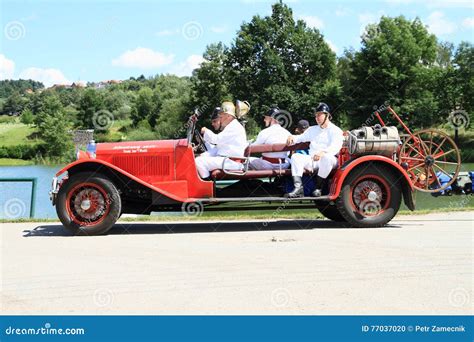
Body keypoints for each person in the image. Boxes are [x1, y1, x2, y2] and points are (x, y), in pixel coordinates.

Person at [286, 103, 343, 198]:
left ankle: (318, 188)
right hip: (313, 159)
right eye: (316, 115)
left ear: (327, 115)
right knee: (296, 157)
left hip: (329, 160)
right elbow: (301, 137)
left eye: (319, 115)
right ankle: (298, 188)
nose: (317, 117)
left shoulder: (336, 130)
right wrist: (292, 138)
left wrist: (323, 152)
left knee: (327, 158)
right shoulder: (312, 129)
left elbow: (336, 147)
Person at [195, 101, 247, 179]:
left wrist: (206, 131)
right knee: (200, 159)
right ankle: (207, 183)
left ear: (229, 116)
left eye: (222, 117)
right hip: (229, 160)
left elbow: (216, 140)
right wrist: (203, 155)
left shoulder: (233, 127)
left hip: (232, 162)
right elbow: (219, 147)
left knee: (198, 161)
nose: (221, 120)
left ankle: (207, 185)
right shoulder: (232, 126)